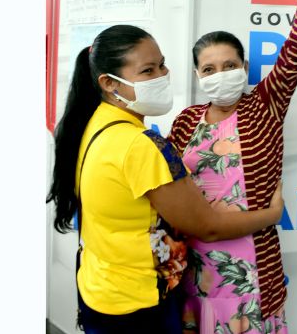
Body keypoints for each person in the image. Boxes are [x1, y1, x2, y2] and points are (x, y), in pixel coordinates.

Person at [46, 25, 284, 334]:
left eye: (161, 64)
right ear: (108, 83)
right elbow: (206, 226)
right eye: (148, 70)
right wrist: (272, 214)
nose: (162, 75)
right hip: (138, 302)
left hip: (100, 288)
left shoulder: (95, 124)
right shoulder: (141, 145)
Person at [169, 0, 297, 334]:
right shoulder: (185, 121)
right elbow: (169, 191)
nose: (219, 73)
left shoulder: (265, 103)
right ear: (197, 75)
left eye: (229, 65)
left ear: (244, 67)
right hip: (194, 269)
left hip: (254, 271)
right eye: (209, 68)